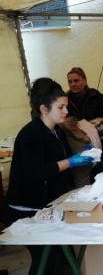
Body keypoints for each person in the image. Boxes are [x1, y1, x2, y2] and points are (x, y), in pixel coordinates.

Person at [6, 78, 94, 274]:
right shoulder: (30, 134)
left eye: (66, 107)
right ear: (44, 109)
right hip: (27, 207)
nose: (66, 112)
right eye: (61, 107)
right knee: (46, 260)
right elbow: (37, 172)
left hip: (49, 204)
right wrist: (70, 162)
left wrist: (85, 155)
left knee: (60, 257)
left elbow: (58, 163)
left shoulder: (56, 131)